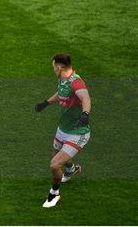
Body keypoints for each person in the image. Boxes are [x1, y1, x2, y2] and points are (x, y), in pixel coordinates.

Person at [35, 53, 92, 208]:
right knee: (57, 155)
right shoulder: (62, 78)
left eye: (54, 66)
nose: (53, 69)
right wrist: (45, 103)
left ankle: (54, 194)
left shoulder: (76, 82)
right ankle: (71, 169)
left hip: (77, 133)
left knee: (54, 164)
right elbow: (60, 93)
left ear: (59, 68)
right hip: (63, 129)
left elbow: (85, 98)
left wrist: (86, 114)